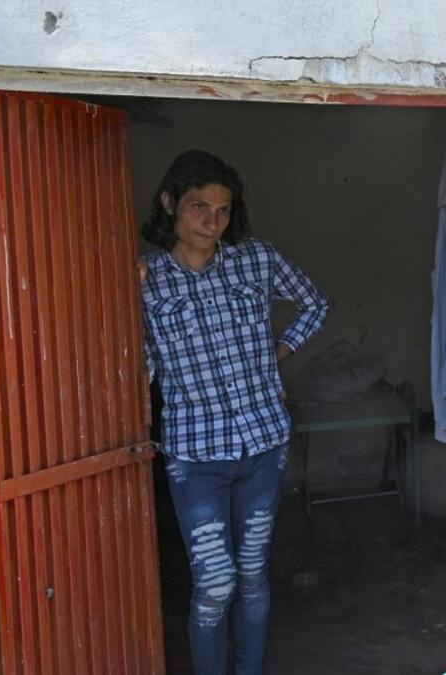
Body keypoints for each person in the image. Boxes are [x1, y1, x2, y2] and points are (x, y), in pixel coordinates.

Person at [138, 149, 331, 675]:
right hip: (195, 455)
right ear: (169, 204)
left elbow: (315, 303)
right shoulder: (147, 279)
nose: (212, 222)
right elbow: (139, 366)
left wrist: (277, 353)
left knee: (251, 574)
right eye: (199, 206)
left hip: (264, 442)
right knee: (214, 583)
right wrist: (121, 296)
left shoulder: (257, 259)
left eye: (223, 210)